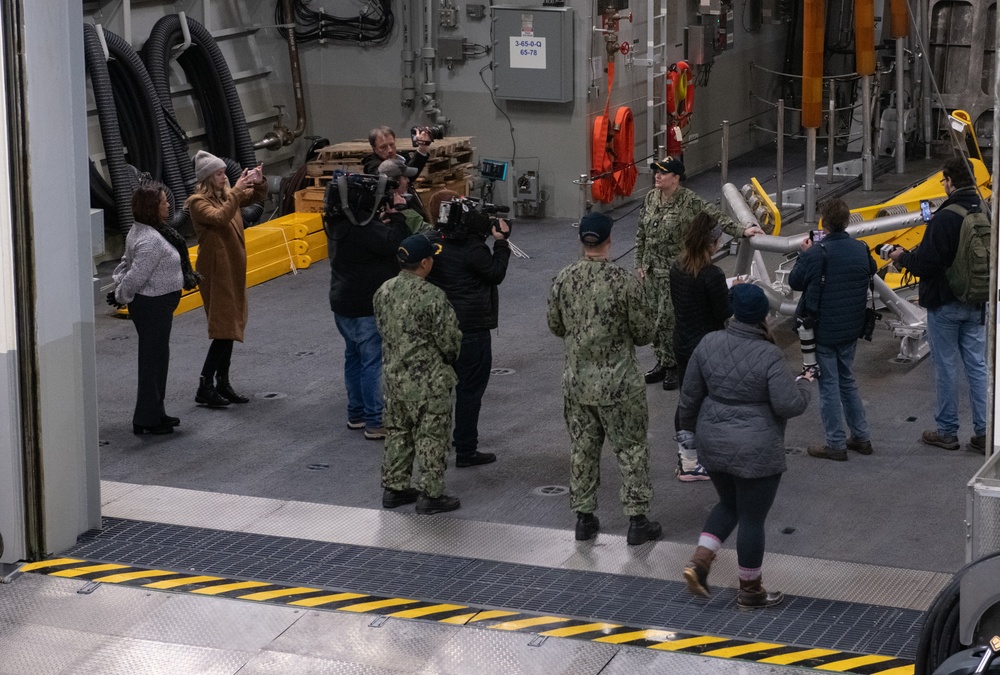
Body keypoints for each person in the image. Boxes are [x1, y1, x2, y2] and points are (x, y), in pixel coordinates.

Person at [679, 283, 812, 609]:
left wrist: (689, 435)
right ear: (763, 315)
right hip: (757, 447)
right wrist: (806, 386)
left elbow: (689, 396)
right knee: (752, 518)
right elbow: (788, 405)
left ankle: (699, 563)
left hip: (713, 441)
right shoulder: (769, 354)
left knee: (728, 504)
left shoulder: (709, 343)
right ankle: (750, 591)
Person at [547, 212, 661, 546]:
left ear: (581, 241)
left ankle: (584, 518)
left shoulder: (563, 279)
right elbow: (644, 333)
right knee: (631, 449)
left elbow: (555, 326)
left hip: (578, 383)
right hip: (620, 384)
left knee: (582, 449)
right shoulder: (625, 281)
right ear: (610, 240)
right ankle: (637, 521)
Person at [636, 157, 764, 390]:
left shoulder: (689, 201)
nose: (657, 175)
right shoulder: (650, 198)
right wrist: (639, 262)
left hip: (673, 270)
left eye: (663, 173)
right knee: (653, 318)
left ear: (676, 178)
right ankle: (663, 361)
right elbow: (642, 232)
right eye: (656, 171)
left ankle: (674, 365)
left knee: (668, 319)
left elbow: (715, 217)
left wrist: (742, 231)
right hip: (651, 269)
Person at [888, 157, 988, 453]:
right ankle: (985, 431)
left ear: (951, 181)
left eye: (944, 180)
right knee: (978, 366)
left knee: (946, 367)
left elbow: (926, 264)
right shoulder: (985, 208)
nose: (943, 185)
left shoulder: (945, 217)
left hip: (945, 304)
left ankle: (947, 431)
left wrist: (901, 257)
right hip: (977, 300)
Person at [373, 233, 463, 514]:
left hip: (394, 378)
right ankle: (431, 494)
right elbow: (449, 342)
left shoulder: (383, 290)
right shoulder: (433, 297)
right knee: (432, 436)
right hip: (429, 382)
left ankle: (394, 489)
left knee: (398, 432)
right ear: (424, 263)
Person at [789, 199, 878, 461]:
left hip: (823, 330)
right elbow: (871, 269)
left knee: (828, 385)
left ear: (823, 224)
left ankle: (836, 444)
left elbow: (795, 281)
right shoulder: (860, 248)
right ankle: (861, 437)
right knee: (847, 379)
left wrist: (804, 254)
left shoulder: (817, 253)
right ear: (848, 222)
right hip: (851, 327)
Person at [427, 197, 511, 468]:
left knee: (440, 390)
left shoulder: (434, 242)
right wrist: (500, 243)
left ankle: (436, 443)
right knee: (469, 390)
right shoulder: (474, 250)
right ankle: (465, 448)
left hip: (440, 327)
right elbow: (496, 273)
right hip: (471, 328)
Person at [328, 177, 411, 440]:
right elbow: (396, 243)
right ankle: (375, 421)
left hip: (343, 302)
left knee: (353, 357)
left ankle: (357, 414)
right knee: (373, 361)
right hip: (366, 305)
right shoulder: (363, 228)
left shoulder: (338, 222)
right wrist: (397, 216)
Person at [185, 151, 267, 408]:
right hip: (216, 272)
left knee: (230, 328)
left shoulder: (224, 197)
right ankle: (205, 383)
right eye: (219, 173)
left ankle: (223, 381)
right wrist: (237, 191)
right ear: (208, 177)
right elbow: (220, 218)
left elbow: (254, 198)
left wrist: (258, 182)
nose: (224, 176)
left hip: (231, 269)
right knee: (223, 329)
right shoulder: (199, 203)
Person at [111, 182, 192, 435]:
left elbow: (125, 264)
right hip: (153, 305)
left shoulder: (142, 230)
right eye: (164, 202)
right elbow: (134, 274)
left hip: (156, 304)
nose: (168, 204)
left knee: (157, 359)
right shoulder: (152, 240)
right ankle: (147, 419)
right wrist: (121, 294)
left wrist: (120, 287)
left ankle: (155, 412)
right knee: (152, 361)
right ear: (152, 208)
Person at [669, 211, 731, 481]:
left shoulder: (677, 268)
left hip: (683, 343)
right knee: (708, 403)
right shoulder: (712, 275)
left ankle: (686, 457)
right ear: (711, 243)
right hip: (707, 348)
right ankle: (692, 463)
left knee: (686, 401)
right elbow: (723, 312)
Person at [377, 158, 429, 230]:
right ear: (394, 183)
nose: (408, 180)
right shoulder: (399, 209)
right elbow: (427, 231)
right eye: (404, 177)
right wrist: (403, 213)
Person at [363, 125, 433, 178]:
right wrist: (422, 148)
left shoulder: (403, 157)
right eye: (383, 147)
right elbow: (407, 177)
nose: (390, 150)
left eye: (391, 144)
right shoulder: (372, 165)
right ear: (375, 149)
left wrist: (423, 146)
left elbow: (412, 173)